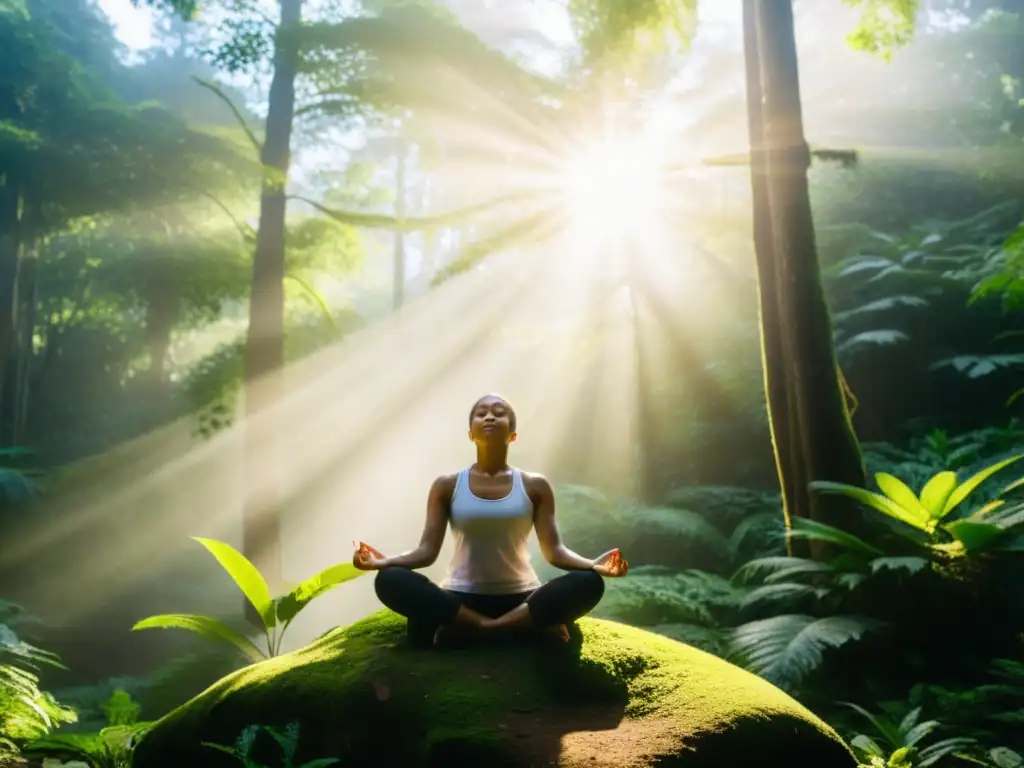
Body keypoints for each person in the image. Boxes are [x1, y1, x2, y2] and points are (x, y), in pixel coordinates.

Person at [352, 393, 629, 649]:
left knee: (589, 582)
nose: (490, 417)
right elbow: (426, 552)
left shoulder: (535, 486)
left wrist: (594, 565)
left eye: (499, 412)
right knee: (390, 580)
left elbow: (554, 551)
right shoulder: (447, 485)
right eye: (481, 413)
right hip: (461, 597)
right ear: (470, 433)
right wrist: (383, 562)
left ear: (513, 434)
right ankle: (504, 627)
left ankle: (473, 629)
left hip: (522, 598)